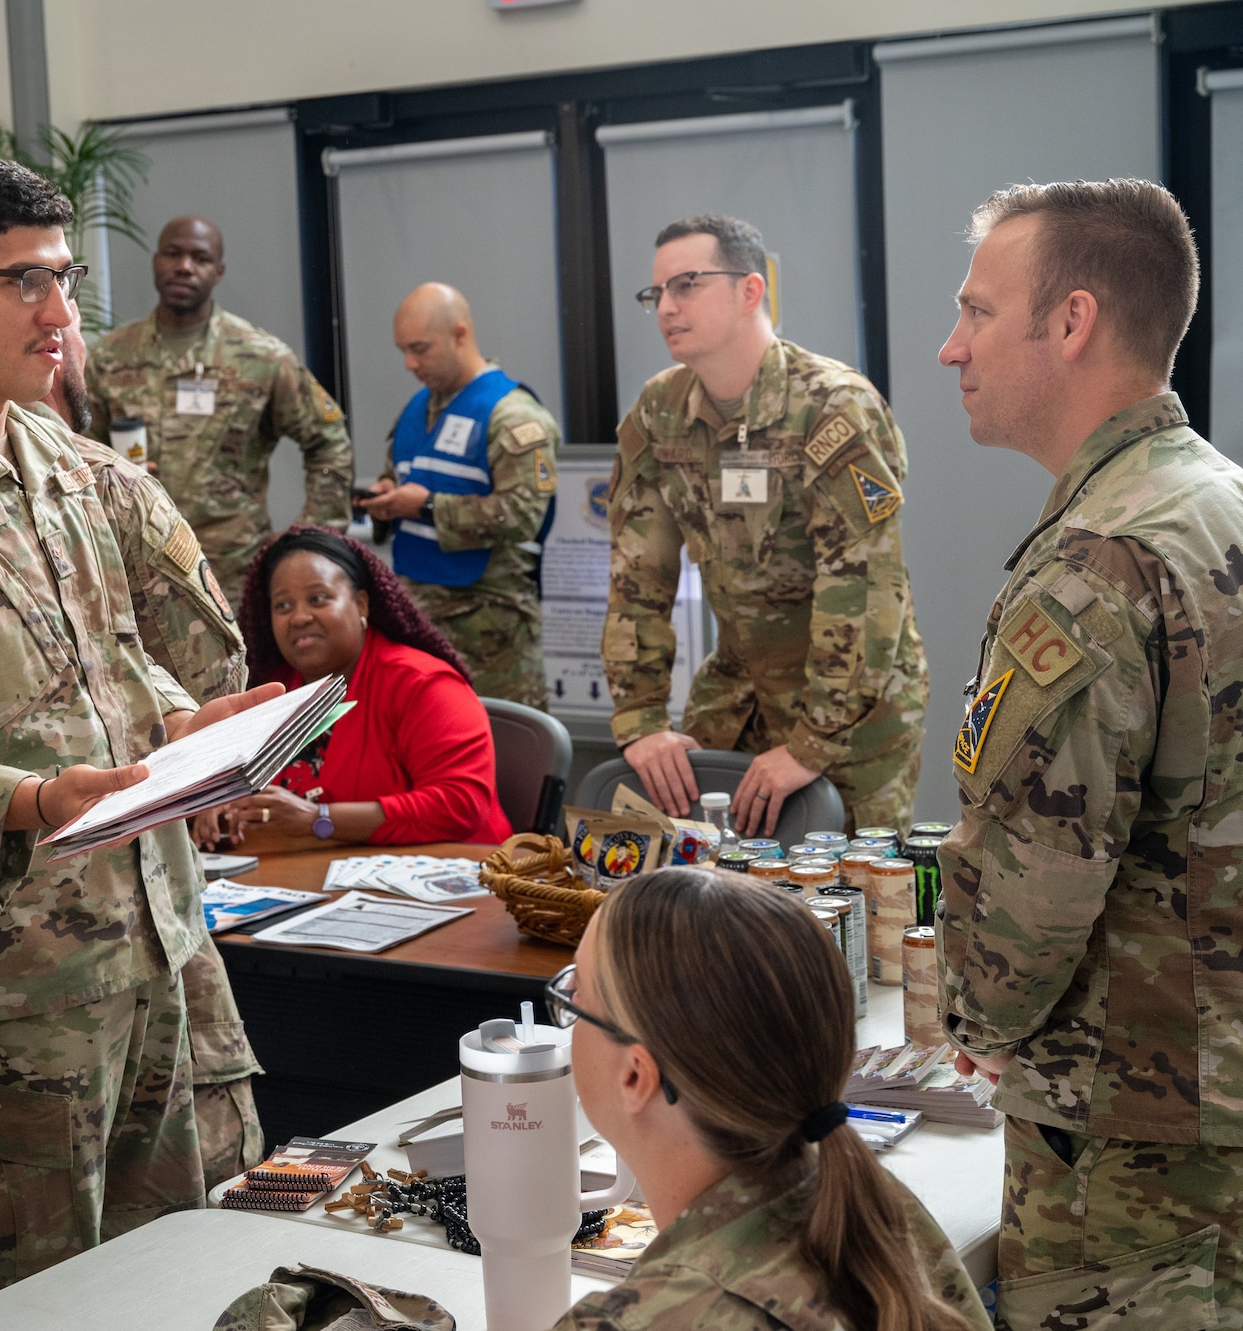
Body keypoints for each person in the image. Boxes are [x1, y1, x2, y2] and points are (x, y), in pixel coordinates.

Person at [0, 152, 280, 1313]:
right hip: (6, 1004)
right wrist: (30, 801)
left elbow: (126, 672)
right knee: (29, 1303)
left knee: (195, 1281)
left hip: (156, 951)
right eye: (24, 281)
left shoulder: (70, 468)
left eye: (65, 278)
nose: (61, 314)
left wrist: (191, 728)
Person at [935, 180, 1243, 1327]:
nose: (947, 345)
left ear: (1067, 324)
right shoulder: (1214, 501)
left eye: (975, 312)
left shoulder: (1096, 560)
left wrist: (969, 1021)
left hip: (1130, 1133)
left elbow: (1031, 892)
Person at [547, 868, 988, 1330]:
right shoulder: (877, 1211)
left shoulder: (629, 1322)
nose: (569, 1011)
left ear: (636, 1076)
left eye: (576, 999)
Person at [606, 215, 927, 837]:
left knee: (849, 898)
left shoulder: (832, 406)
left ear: (750, 290)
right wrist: (640, 718)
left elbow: (863, 590)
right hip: (738, 695)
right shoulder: (659, 411)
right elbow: (636, 576)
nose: (667, 307)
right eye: (658, 294)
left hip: (853, 712)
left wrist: (814, 740)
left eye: (687, 285)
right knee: (715, 895)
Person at [41, 316, 265, 1192]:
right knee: (194, 1170)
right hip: (133, 889)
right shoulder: (111, 486)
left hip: (60, 918)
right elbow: (218, 670)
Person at [84, 215, 353, 600]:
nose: (184, 266)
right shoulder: (110, 356)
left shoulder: (261, 358)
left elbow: (329, 442)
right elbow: (81, 451)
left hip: (233, 573)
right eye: (173, 254)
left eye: (200, 258)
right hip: (136, 568)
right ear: (156, 261)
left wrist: (313, 536)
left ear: (219, 271)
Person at [194, 526, 512, 849]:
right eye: (283, 606)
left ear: (361, 605)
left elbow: (460, 804)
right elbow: (241, 788)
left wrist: (319, 818)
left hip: (450, 875)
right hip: (303, 877)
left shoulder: (424, 684)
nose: (299, 617)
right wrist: (221, 801)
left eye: (318, 599)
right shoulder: (272, 690)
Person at [357, 283, 560, 708]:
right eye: (403, 351)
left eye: (420, 349)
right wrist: (387, 496)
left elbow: (525, 515)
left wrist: (427, 506)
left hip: (490, 634)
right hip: (415, 624)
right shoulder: (416, 410)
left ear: (460, 334)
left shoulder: (514, 415)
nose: (410, 363)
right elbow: (402, 476)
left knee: (507, 759)